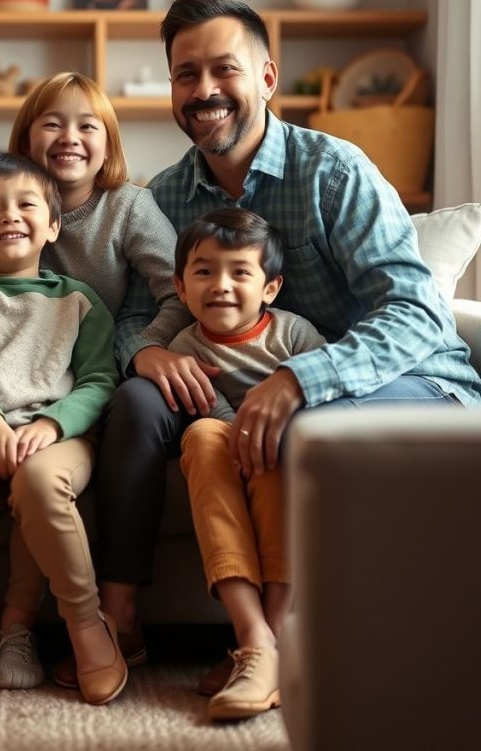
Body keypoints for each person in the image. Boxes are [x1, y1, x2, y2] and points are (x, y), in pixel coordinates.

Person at [92, 0, 481, 675]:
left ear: (268, 78)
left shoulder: (335, 170)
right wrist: (148, 350)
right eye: (186, 74)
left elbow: (418, 314)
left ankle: (273, 645)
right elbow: (136, 312)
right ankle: (120, 621)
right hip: (240, 386)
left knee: (309, 431)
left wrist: (301, 379)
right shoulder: (166, 196)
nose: (205, 90)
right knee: (134, 401)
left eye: (225, 69)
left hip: (401, 381)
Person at [7, 71, 193, 682]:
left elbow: (180, 289)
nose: (70, 137)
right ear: (27, 139)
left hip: (88, 380)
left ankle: (108, 623)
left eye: (88, 125)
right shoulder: (9, 201)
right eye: (52, 123)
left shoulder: (128, 207)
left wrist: (144, 345)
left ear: (108, 144)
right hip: (8, 378)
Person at [0, 152, 126, 705]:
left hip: (55, 434)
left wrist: (54, 425)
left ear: (52, 226)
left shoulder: (80, 302)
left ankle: (45, 626)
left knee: (41, 483)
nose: (9, 215)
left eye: (25, 204)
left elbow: (100, 380)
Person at [170, 208, 324, 721]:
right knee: (202, 434)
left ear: (271, 287)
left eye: (240, 272)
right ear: (181, 286)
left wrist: (266, 433)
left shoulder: (295, 336)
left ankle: (270, 640)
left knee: (280, 447)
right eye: (204, 271)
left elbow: (324, 396)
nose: (221, 285)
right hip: (221, 445)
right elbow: (208, 410)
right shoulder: (184, 347)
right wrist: (240, 430)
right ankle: (254, 638)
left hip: (280, 452)